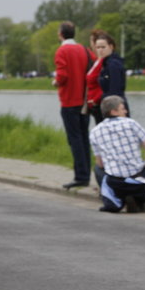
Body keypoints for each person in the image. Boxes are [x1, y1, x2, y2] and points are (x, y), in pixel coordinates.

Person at [89, 95, 145, 213]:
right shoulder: (131, 123)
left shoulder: (94, 132)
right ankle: (139, 199)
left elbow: (100, 163)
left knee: (98, 169)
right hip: (140, 182)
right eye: (122, 108)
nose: (126, 111)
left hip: (116, 183)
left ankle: (114, 200)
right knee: (143, 175)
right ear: (113, 111)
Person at [53, 21, 94, 189]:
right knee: (84, 137)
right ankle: (86, 173)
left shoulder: (62, 51)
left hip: (69, 100)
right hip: (85, 101)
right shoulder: (85, 50)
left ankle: (80, 176)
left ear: (61, 34)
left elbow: (62, 75)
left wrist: (55, 82)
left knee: (74, 139)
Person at [96, 33, 130, 115]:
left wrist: (113, 111)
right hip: (110, 106)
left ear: (111, 47)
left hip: (115, 108)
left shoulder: (113, 64)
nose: (100, 50)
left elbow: (115, 90)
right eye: (98, 47)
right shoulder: (105, 64)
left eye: (103, 47)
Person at [86, 29, 106, 125]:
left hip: (99, 104)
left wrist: (96, 100)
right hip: (94, 106)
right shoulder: (96, 60)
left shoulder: (103, 62)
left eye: (91, 42)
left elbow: (104, 83)